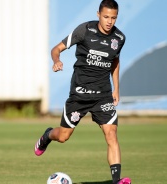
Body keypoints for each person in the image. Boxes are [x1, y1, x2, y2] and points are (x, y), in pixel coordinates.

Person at [34, 0, 131, 184]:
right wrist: (56, 60)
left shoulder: (119, 38)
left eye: (113, 18)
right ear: (98, 14)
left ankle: (117, 180)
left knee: (111, 134)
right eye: (106, 17)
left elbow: (115, 61)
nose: (109, 21)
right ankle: (47, 135)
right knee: (63, 136)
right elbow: (56, 49)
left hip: (103, 95)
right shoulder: (84, 30)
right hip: (80, 95)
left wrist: (116, 88)